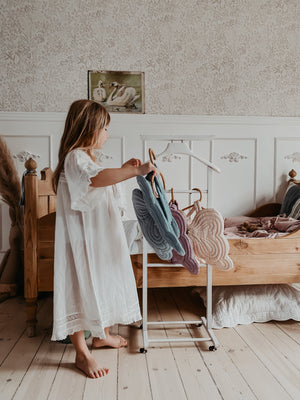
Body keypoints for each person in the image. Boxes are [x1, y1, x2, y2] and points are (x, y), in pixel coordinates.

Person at [51, 99, 158, 379]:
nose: (107, 135)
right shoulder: (75, 157)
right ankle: (81, 354)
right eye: (105, 129)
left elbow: (100, 183)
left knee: (101, 281)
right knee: (78, 286)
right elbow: (95, 181)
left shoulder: (88, 160)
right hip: (80, 240)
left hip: (96, 238)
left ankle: (101, 335)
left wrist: (123, 169)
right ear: (89, 128)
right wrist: (135, 170)